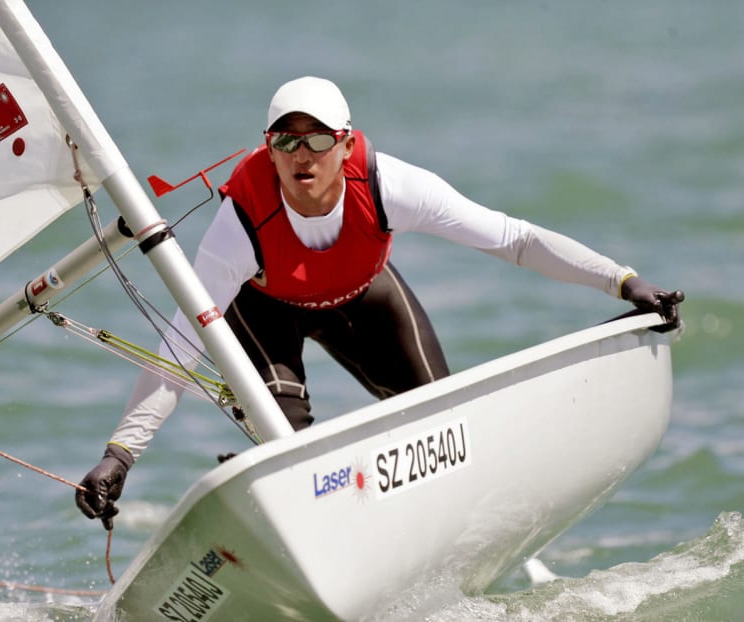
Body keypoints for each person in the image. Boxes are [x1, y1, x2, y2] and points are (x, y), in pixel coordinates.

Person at [75, 76, 682, 529]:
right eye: (286, 140)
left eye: (316, 139)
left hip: (364, 298)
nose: (301, 154)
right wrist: (120, 455)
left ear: (344, 144)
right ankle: (294, 540)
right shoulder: (240, 224)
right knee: (287, 448)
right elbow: (183, 342)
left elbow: (514, 239)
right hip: (265, 314)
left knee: (443, 426)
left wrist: (622, 282)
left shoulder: (391, 186)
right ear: (268, 146)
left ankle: (452, 531)